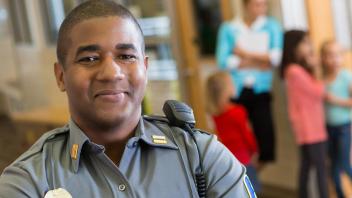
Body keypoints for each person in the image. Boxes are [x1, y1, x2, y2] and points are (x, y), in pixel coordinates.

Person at [0, 1, 256, 197]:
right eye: (89, 58)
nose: (111, 73)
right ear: (60, 76)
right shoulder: (29, 181)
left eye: (126, 56)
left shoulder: (201, 155)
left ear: (145, 68)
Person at [216, 0, 283, 166]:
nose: (261, 9)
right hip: (236, 92)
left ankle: (251, 180)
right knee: (238, 142)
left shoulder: (272, 26)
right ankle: (243, 181)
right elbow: (223, 61)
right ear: (245, 6)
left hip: (260, 91)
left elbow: (275, 58)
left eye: (264, 4)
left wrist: (243, 54)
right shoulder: (229, 28)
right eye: (257, 4)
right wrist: (260, 59)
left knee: (266, 144)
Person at [280, 30, 328, 198]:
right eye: (305, 43)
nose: (309, 47)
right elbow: (318, 91)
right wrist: (317, 68)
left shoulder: (294, 70)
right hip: (310, 129)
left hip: (309, 127)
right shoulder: (294, 71)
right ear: (294, 47)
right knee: (320, 167)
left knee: (307, 166)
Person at [205, 71, 261, 192]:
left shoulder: (214, 114)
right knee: (250, 191)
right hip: (244, 160)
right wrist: (255, 151)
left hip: (227, 162)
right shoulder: (238, 111)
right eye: (231, 83)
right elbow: (247, 136)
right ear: (226, 89)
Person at [321, 40, 352, 198]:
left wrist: (334, 100)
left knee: (345, 165)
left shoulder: (346, 77)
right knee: (333, 167)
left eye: (337, 55)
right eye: (329, 56)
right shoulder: (321, 79)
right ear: (323, 58)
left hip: (344, 128)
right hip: (327, 128)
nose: (333, 59)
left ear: (342, 57)